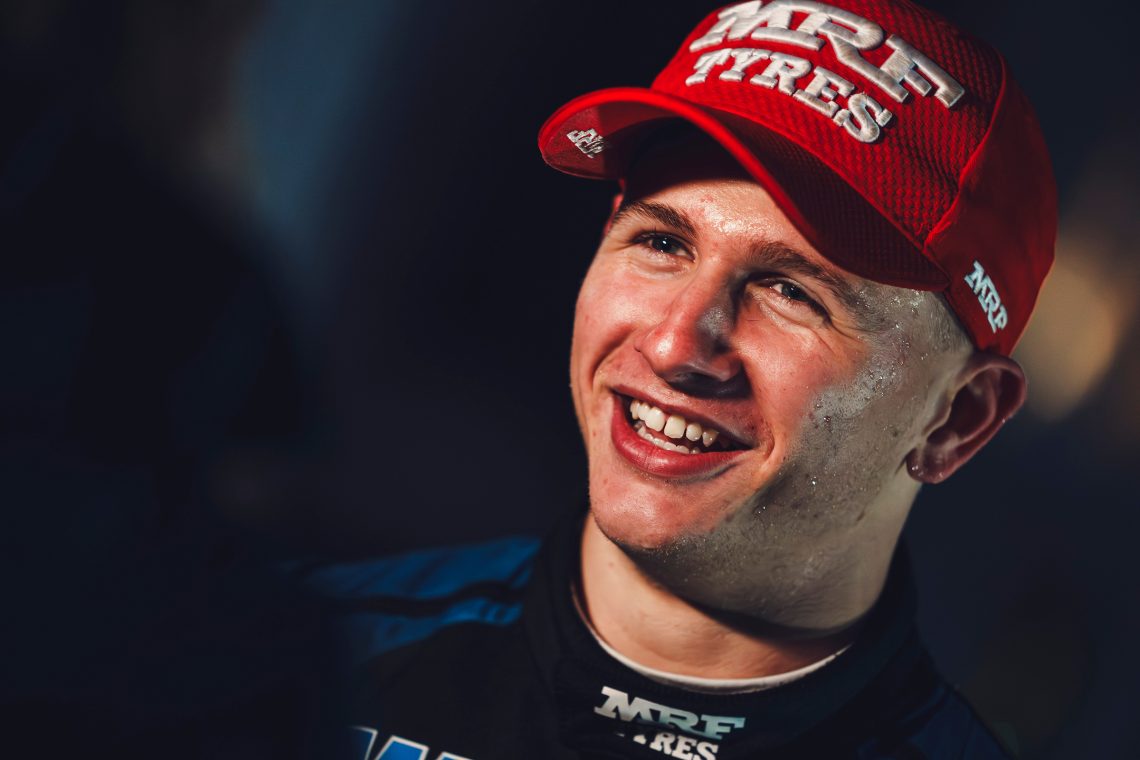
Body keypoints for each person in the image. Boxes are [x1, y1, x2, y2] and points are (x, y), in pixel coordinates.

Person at [304, 1, 1055, 757]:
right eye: (662, 243)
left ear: (958, 418)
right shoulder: (290, 661)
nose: (674, 345)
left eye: (792, 293)